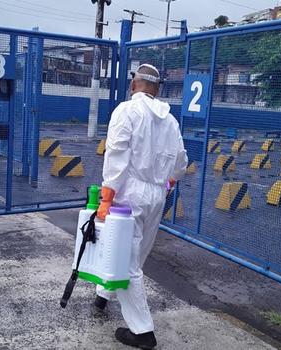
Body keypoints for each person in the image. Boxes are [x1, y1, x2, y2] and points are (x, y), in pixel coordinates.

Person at [95, 63, 188, 349]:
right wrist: (167, 182)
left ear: (134, 85)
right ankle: (103, 294)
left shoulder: (126, 111)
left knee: (126, 260)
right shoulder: (170, 121)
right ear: (157, 90)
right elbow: (181, 161)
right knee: (137, 253)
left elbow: (117, 154)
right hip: (156, 194)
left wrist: (107, 195)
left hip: (128, 195)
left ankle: (143, 331)